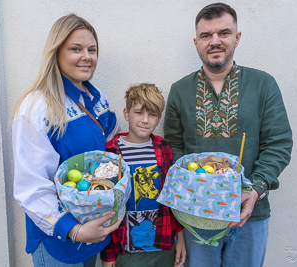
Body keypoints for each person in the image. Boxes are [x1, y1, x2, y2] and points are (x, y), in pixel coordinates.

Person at [164, 3, 293, 267]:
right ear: (196, 42)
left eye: (223, 32)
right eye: (205, 35)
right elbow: (173, 149)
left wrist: (255, 190)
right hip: (197, 217)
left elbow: (279, 143)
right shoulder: (179, 91)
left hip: (249, 213)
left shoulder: (263, 84)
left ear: (237, 37)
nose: (215, 41)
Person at [11, 13, 122, 266]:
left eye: (92, 50)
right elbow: (31, 186)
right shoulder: (37, 107)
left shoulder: (97, 99)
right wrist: (75, 230)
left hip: (94, 232)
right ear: (56, 52)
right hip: (59, 240)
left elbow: (110, 144)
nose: (87, 56)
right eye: (76, 49)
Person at [100, 83, 186, 267]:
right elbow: (105, 207)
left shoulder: (164, 149)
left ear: (159, 118)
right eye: (138, 112)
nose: (145, 120)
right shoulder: (111, 152)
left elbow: (173, 198)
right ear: (126, 113)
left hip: (163, 245)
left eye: (152, 114)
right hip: (125, 249)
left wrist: (180, 238)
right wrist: (108, 255)